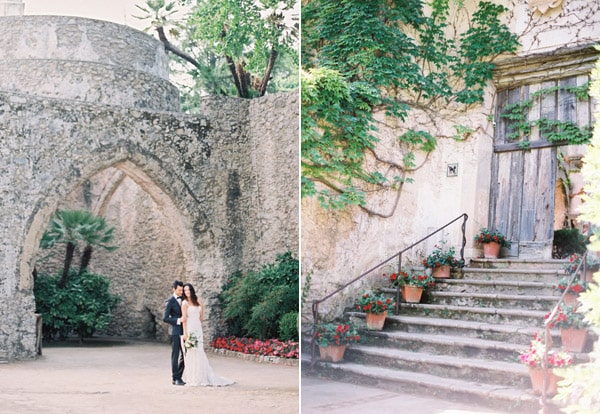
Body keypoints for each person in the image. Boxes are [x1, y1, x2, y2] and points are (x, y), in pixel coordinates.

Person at [181, 283, 234, 387]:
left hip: (198, 328)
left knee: (200, 350)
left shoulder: (198, 300)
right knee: (192, 351)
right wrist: (185, 333)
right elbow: (184, 319)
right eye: (185, 290)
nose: (187, 292)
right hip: (190, 328)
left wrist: (197, 325)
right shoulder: (184, 303)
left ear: (192, 290)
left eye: (189, 290)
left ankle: (203, 375)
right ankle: (194, 376)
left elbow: (201, 317)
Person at [163, 280, 185, 385]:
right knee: (175, 355)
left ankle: (179, 376)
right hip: (175, 331)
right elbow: (165, 318)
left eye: (182, 290)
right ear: (174, 289)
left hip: (185, 331)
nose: (182, 292)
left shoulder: (184, 299)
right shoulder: (169, 301)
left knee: (185, 354)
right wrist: (178, 320)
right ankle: (175, 378)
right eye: (179, 290)